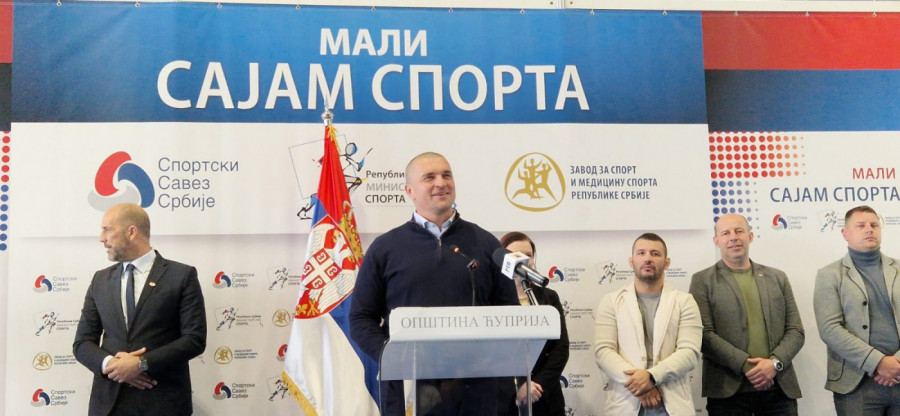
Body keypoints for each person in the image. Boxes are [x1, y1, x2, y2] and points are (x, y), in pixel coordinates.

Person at [349, 152, 518, 416]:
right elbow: (361, 318)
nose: (441, 183)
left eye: (446, 175)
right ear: (409, 191)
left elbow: (509, 312)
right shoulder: (385, 248)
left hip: (478, 390)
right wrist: (392, 356)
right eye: (429, 177)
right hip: (410, 389)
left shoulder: (487, 244)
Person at [73, 203, 207, 416]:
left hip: (163, 404)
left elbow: (194, 339)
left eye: (107, 229)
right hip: (109, 405)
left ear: (131, 232)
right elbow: (82, 343)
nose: (101, 238)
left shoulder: (181, 276)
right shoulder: (100, 280)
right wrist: (112, 365)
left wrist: (141, 364)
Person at [689, 213, 805, 415]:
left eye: (739, 231)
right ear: (716, 241)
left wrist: (774, 364)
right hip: (727, 392)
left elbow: (796, 331)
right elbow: (704, 335)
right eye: (726, 233)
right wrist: (745, 365)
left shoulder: (777, 278)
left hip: (778, 389)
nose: (733, 237)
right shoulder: (702, 281)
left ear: (750, 236)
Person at [594, 233, 701, 416]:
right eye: (641, 253)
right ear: (631, 261)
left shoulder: (685, 301)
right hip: (626, 402)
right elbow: (603, 352)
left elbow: (689, 352)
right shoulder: (611, 301)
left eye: (655, 253)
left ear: (667, 263)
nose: (648, 258)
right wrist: (640, 385)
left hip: (671, 404)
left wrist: (652, 377)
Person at [814, 205, 900, 415]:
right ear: (845, 233)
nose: (869, 229)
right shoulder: (829, 275)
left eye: (874, 225)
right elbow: (830, 329)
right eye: (860, 226)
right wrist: (878, 362)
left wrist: (897, 363)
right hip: (856, 385)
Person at [497, 232, 569, 416]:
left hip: (544, 396)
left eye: (528, 255)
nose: (524, 261)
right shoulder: (491, 299)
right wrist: (518, 385)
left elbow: (560, 348)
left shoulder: (548, 297)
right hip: (505, 399)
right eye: (516, 255)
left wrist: (538, 385)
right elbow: (490, 353)